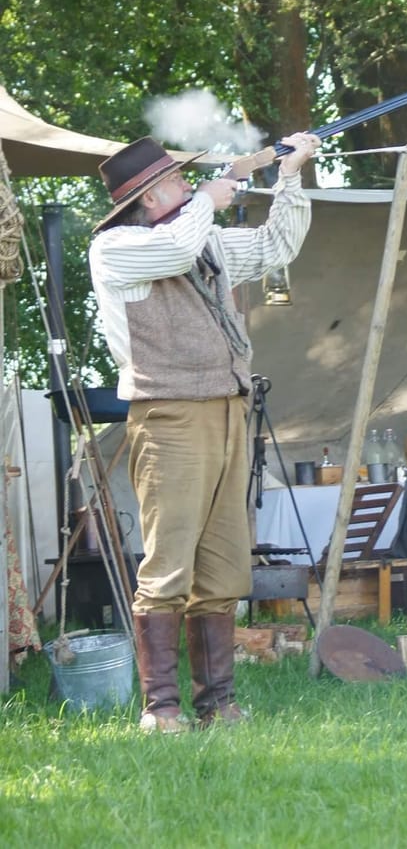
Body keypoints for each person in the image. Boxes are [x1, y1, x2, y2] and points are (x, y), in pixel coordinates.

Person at [89, 130, 319, 731]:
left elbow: (278, 245)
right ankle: (161, 708)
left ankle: (218, 705)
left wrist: (291, 175)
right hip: (168, 415)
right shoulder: (117, 247)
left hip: (225, 409)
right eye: (175, 181)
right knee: (167, 565)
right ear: (147, 198)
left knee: (222, 566)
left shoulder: (199, 234)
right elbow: (172, 250)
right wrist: (209, 199)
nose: (187, 185)